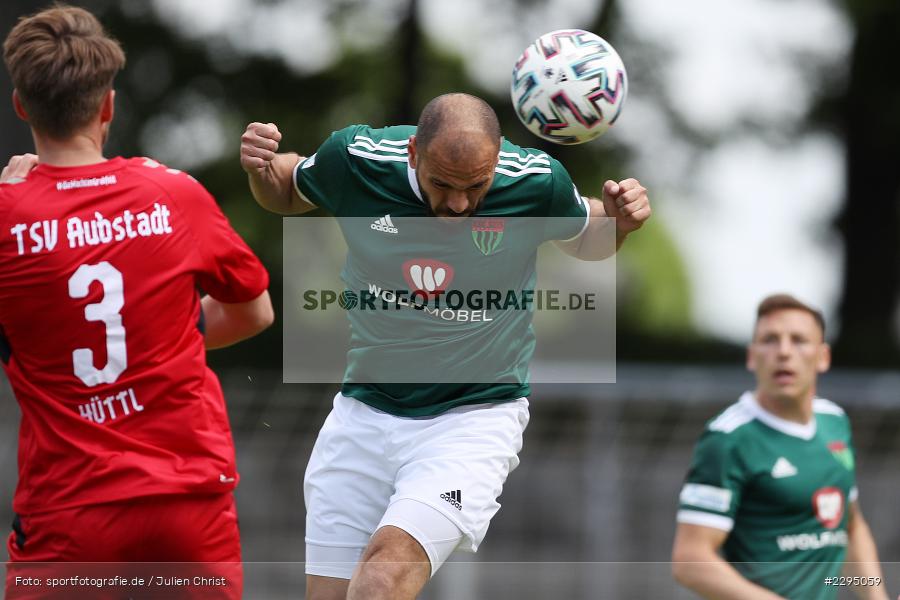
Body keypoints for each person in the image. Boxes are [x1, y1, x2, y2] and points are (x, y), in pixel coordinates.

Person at [241, 92, 650, 600]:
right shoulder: (358, 159)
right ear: (413, 152)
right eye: (442, 185)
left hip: (470, 422)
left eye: (475, 187)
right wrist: (263, 167)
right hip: (362, 415)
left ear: (496, 162)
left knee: (380, 579)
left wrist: (619, 223)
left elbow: (588, 238)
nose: (459, 204)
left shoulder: (535, 181)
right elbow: (288, 187)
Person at [1, 6, 273, 599]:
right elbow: (256, 311)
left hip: (70, 512)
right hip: (188, 503)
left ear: (21, 106)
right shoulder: (173, 194)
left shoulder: (4, 217)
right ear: (108, 106)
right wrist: (163, 335)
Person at [671, 294, 888, 600]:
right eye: (770, 340)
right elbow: (690, 561)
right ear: (751, 356)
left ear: (823, 357)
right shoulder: (728, 438)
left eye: (798, 340)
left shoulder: (834, 422)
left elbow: (850, 526)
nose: (784, 352)